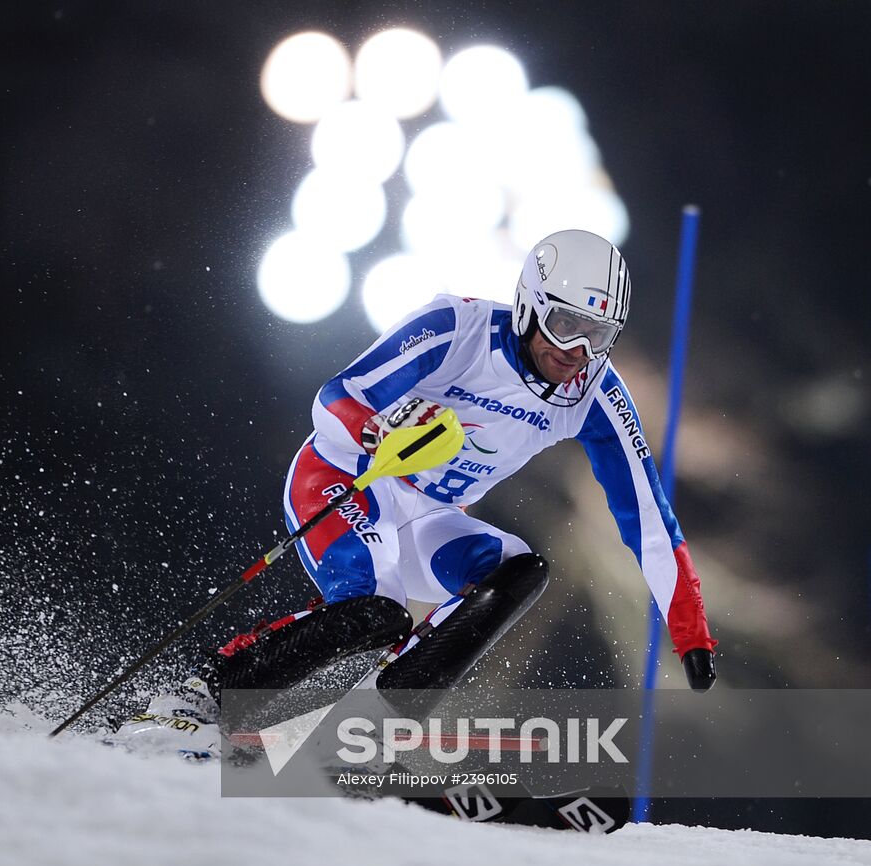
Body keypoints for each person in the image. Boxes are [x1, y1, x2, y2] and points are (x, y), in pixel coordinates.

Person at [107, 229, 717, 761]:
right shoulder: (458, 327)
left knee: (520, 570)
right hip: (345, 479)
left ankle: (372, 726)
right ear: (530, 305)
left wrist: (691, 633)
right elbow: (334, 398)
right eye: (564, 327)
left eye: (598, 335)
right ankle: (194, 696)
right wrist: (377, 432)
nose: (576, 353)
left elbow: (648, 519)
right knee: (378, 611)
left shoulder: (595, 395)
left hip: (428, 515)